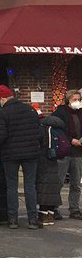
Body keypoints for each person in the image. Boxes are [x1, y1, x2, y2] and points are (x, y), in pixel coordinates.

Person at [0, 85, 43, 229]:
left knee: (12, 186)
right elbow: (40, 132)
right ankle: (33, 219)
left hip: (11, 154)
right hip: (31, 153)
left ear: (3, 98)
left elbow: (0, 135)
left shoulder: (3, 112)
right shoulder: (30, 110)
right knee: (30, 185)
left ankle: (12, 219)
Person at [53, 89, 82, 219]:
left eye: (79, 99)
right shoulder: (60, 112)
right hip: (64, 151)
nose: (77, 102)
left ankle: (74, 209)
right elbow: (58, 130)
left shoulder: (81, 113)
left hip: (78, 152)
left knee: (76, 183)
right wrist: (70, 140)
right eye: (74, 99)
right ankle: (53, 208)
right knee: (58, 181)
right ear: (68, 100)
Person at [37, 112, 67, 225]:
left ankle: (43, 214)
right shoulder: (58, 130)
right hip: (54, 160)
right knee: (53, 188)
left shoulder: (42, 129)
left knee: (44, 187)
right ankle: (51, 214)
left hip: (43, 160)